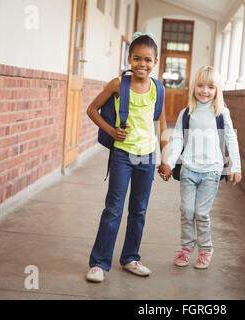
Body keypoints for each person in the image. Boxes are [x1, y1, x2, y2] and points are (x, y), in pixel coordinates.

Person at [85, 32, 172, 282]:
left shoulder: (158, 89)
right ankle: (99, 263)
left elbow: (162, 126)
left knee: (139, 210)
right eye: (136, 59)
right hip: (123, 155)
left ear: (155, 62)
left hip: (147, 157)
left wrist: (165, 159)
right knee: (113, 209)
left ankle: (131, 258)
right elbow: (92, 109)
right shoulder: (117, 84)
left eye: (147, 60)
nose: (141, 64)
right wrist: (111, 130)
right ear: (129, 59)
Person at [161, 66, 242, 269]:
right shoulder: (187, 113)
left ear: (217, 91)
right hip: (189, 169)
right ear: (193, 87)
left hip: (212, 171)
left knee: (201, 213)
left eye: (210, 87)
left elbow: (231, 139)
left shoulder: (222, 113)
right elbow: (178, 139)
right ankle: (186, 248)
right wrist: (169, 164)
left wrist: (236, 167)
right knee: (187, 210)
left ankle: (205, 249)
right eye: (200, 85)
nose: (204, 91)